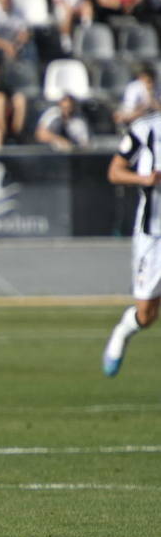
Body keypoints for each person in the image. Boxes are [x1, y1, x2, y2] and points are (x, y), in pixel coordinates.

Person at [102, 109, 161, 376]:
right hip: (154, 233)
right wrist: (144, 179)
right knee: (147, 314)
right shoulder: (146, 128)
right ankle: (124, 330)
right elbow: (115, 172)